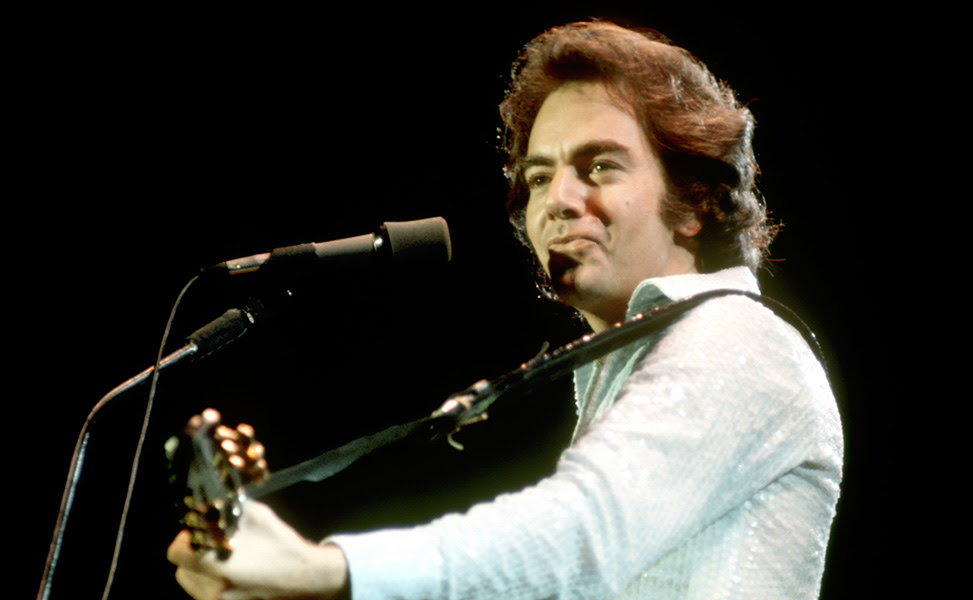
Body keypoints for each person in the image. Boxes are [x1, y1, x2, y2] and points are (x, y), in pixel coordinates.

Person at [169, 20, 843, 600]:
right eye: (540, 176)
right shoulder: (630, 365)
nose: (558, 200)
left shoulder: (738, 337)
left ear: (694, 201)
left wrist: (327, 570)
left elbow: (579, 533)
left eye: (600, 167)